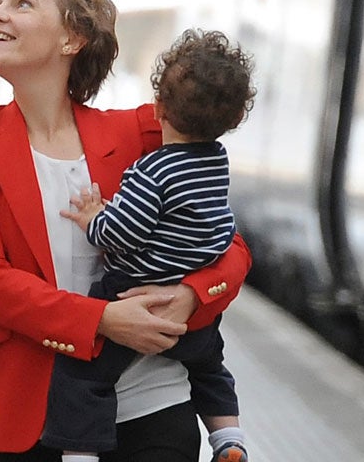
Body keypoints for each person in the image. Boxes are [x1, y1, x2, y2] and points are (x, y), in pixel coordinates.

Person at [0, 0, 253, 461]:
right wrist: (101, 319)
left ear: (72, 39)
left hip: (152, 406)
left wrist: (192, 295)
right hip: (25, 409)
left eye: (22, 4)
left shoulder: (144, 133)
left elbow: (227, 243)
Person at [45, 28, 255, 462]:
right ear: (233, 121)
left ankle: (81, 452)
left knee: (82, 372)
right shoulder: (217, 161)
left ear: (158, 107)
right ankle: (228, 438)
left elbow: (120, 232)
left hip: (133, 294)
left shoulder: (152, 169)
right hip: (194, 316)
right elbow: (223, 232)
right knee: (210, 366)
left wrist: (92, 219)